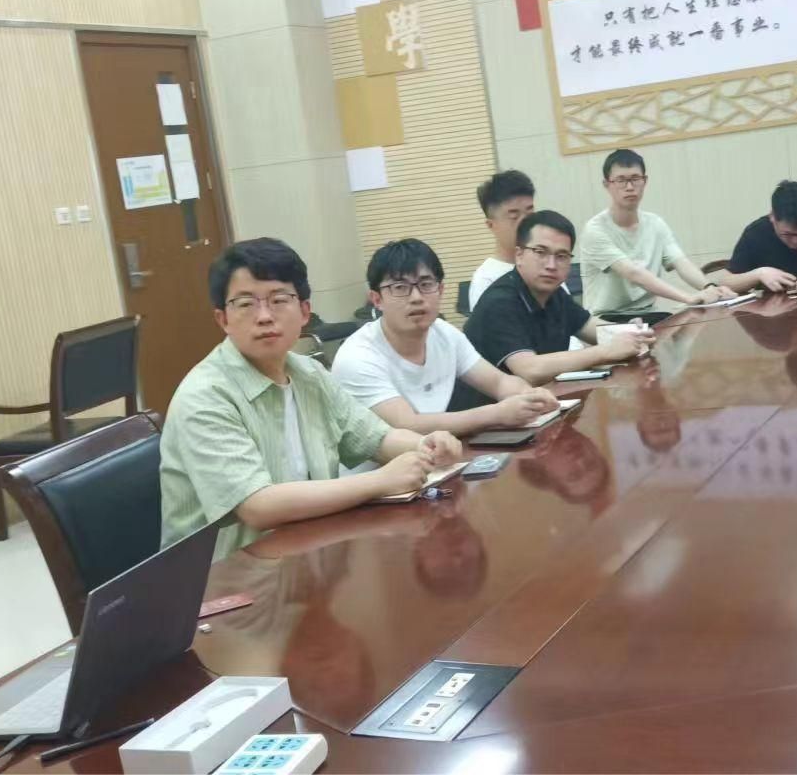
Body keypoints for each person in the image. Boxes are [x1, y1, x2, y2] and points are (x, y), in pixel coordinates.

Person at [159, 238, 463, 559]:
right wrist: (381, 481)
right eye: (246, 304)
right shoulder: (205, 396)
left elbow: (375, 437)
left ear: (305, 312)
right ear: (223, 319)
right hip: (225, 577)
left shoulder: (308, 374)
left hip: (307, 554)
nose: (264, 316)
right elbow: (258, 506)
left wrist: (427, 446)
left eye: (279, 300)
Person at [331, 239, 559, 440]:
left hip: (438, 459)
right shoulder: (357, 356)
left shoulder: (444, 333)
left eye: (425, 285)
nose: (416, 297)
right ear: (377, 299)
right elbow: (407, 425)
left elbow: (498, 382)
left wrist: (529, 396)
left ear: (440, 290)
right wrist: (497, 414)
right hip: (382, 472)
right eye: (400, 287)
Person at [460, 211, 654, 399]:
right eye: (540, 252)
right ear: (519, 255)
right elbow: (530, 370)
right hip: (484, 415)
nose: (551, 265)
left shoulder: (554, 294)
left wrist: (631, 332)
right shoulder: (499, 301)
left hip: (539, 404)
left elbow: (592, 328)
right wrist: (605, 351)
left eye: (561, 256)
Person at [580, 149, 736, 317]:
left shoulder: (655, 224)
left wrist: (710, 288)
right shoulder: (595, 230)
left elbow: (680, 262)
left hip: (648, 314)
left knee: (696, 320)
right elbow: (633, 274)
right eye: (621, 180)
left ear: (645, 181)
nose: (629, 187)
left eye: (635, 179)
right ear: (607, 185)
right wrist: (689, 298)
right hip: (606, 319)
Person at [470, 169, 536, 310]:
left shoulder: (546, 263)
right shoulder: (486, 280)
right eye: (514, 216)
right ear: (491, 225)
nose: (525, 222)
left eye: (530, 213)